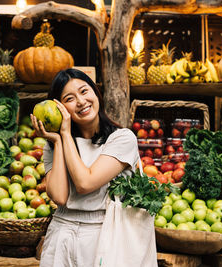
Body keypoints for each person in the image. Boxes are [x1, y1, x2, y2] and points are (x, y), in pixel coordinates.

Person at [30, 68, 140, 267]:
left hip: (104, 233)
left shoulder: (122, 139)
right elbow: (60, 197)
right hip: (61, 234)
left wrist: (64, 135)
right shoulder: (55, 144)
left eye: (84, 91)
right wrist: (58, 139)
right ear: (59, 108)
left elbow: (85, 183)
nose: (81, 102)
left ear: (96, 92)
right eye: (69, 98)